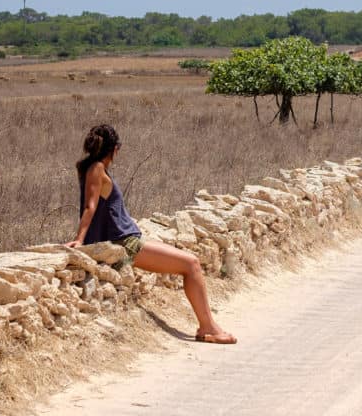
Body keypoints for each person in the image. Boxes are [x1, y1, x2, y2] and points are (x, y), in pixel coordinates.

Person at [65, 124, 237, 345]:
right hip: (126, 244)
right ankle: (208, 327)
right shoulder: (97, 169)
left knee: (189, 262)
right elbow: (90, 207)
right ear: (115, 149)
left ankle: (208, 325)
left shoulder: (92, 167)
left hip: (127, 239)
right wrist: (80, 240)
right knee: (192, 264)